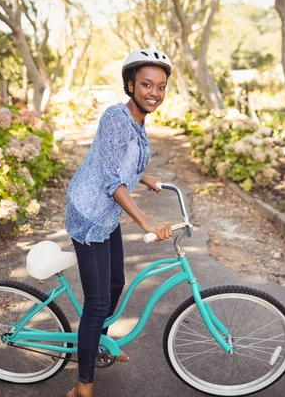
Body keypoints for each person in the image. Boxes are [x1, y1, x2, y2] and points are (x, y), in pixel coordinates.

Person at [64, 48, 174, 397]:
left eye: (160, 86)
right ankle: (83, 387)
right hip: (88, 211)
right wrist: (146, 224)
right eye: (146, 84)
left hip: (106, 213)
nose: (153, 92)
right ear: (130, 85)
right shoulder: (115, 117)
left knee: (115, 284)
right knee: (96, 303)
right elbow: (112, 179)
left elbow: (118, 160)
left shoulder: (138, 121)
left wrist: (146, 178)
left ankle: (97, 346)